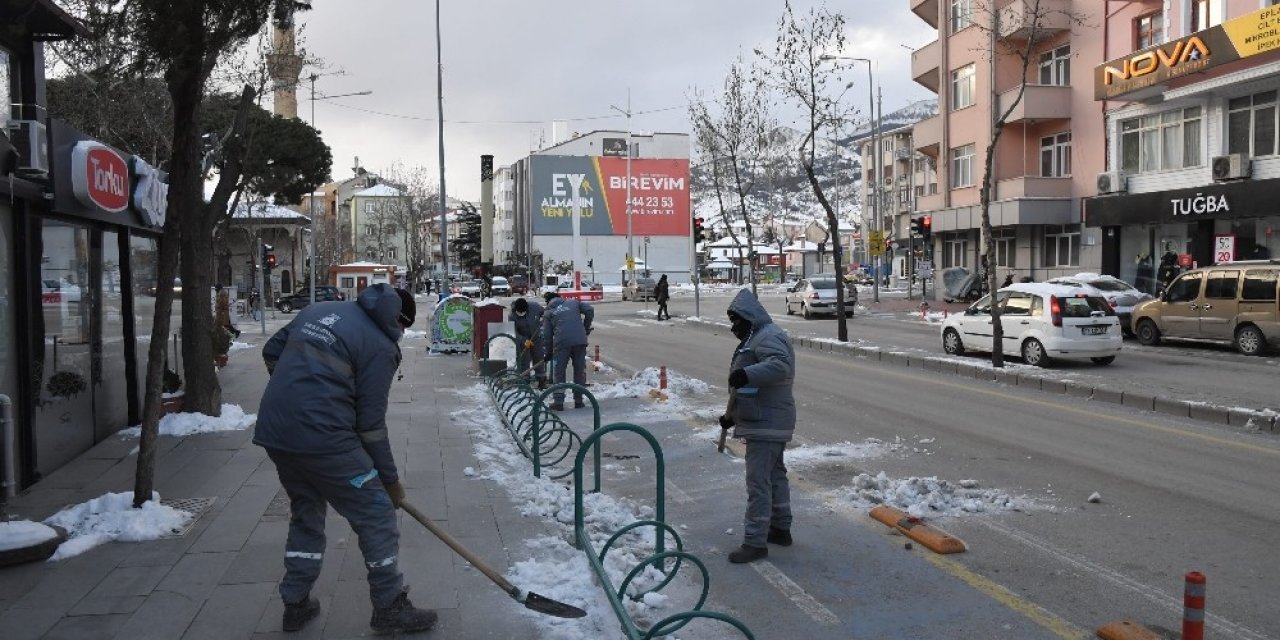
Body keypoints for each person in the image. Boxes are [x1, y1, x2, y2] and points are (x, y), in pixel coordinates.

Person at [254, 284, 437, 635]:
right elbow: (369, 427)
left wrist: (297, 392)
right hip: (325, 438)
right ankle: (389, 606)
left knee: (306, 509)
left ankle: (296, 603)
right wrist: (390, 482)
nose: (402, 335)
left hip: (276, 432)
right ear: (398, 319)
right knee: (377, 513)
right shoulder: (381, 347)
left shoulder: (317, 311)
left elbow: (271, 351)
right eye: (404, 328)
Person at [718, 289, 796, 564]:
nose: (733, 327)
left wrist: (746, 373)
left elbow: (780, 366)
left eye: (736, 321)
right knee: (774, 476)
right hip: (763, 419)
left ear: (748, 318)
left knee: (758, 483)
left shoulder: (768, 336)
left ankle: (754, 541)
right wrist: (732, 417)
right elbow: (745, 389)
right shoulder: (757, 337)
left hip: (767, 421)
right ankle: (780, 527)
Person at [540, 291, 594, 411]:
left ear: (548, 302)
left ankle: (559, 402)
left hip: (561, 343)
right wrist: (585, 327)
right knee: (579, 370)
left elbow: (547, 335)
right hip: (580, 340)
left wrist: (548, 352)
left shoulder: (548, 312)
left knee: (559, 372)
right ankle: (579, 401)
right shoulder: (573, 303)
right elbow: (589, 309)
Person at [510, 297, 547, 389]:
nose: (522, 314)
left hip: (536, 337)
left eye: (523, 312)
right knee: (524, 359)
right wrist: (523, 340)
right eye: (520, 312)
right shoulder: (512, 316)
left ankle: (541, 379)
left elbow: (546, 313)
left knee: (538, 357)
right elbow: (514, 332)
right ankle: (524, 380)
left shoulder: (535, 307)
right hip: (524, 339)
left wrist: (544, 318)